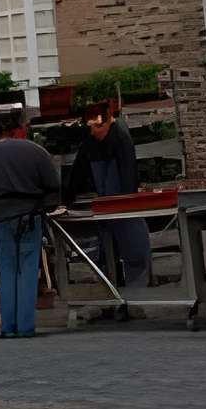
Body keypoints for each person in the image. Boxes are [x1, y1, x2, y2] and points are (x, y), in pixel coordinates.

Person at [0, 109, 64, 340]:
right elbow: (53, 186)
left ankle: (8, 327)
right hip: (30, 215)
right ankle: (25, 326)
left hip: (3, 218)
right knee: (27, 271)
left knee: (6, 271)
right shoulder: (36, 151)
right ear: (18, 129)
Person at [67, 106, 149, 291]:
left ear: (106, 123)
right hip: (105, 208)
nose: (93, 132)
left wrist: (127, 202)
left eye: (96, 128)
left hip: (125, 207)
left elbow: (128, 174)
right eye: (90, 128)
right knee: (107, 254)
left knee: (134, 252)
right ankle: (112, 295)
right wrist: (65, 200)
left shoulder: (120, 139)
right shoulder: (90, 143)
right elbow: (78, 172)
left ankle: (137, 297)